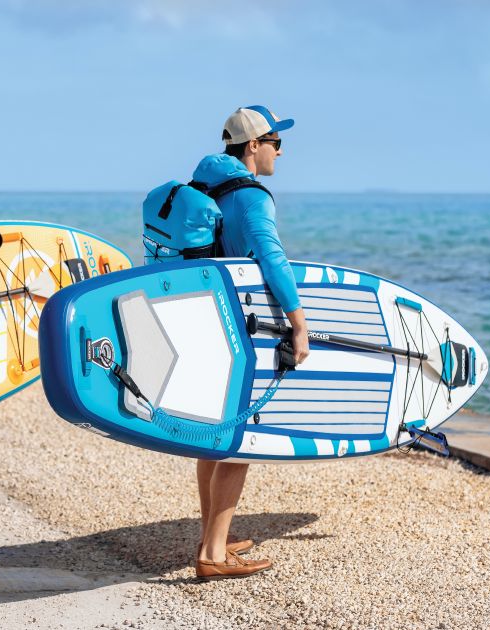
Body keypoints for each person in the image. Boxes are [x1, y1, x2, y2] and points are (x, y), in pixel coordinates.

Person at [191, 105, 310, 579]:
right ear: (253, 146)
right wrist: (298, 323)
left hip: (203, 315)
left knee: (213, 435)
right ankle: (213, 557)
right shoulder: (252, 196)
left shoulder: (203, 185)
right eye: (275, 142)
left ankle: (212, 537)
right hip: (240, 323)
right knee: (240, 438)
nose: (281, 151)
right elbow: (271, 257)